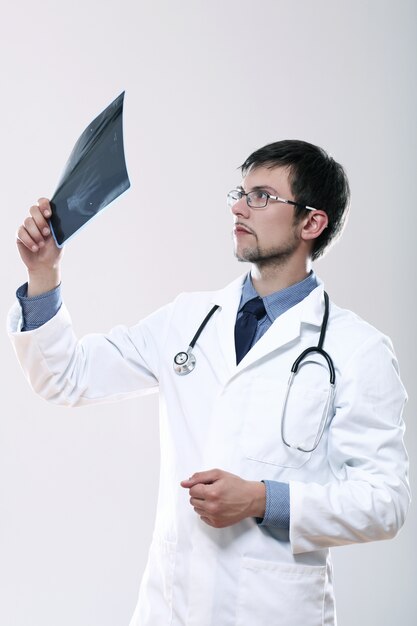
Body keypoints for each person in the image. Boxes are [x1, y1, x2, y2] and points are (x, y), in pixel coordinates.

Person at [8, 140, 410, 626]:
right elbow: (65, 378)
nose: (239, 207)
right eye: (239, 194)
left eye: (261, 197)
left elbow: (383, 503)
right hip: (170, 607)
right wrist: (44, 273)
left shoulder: (358, 349)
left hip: (274, 611)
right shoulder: (187, 320)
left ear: (311, 222)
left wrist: (263, 499)